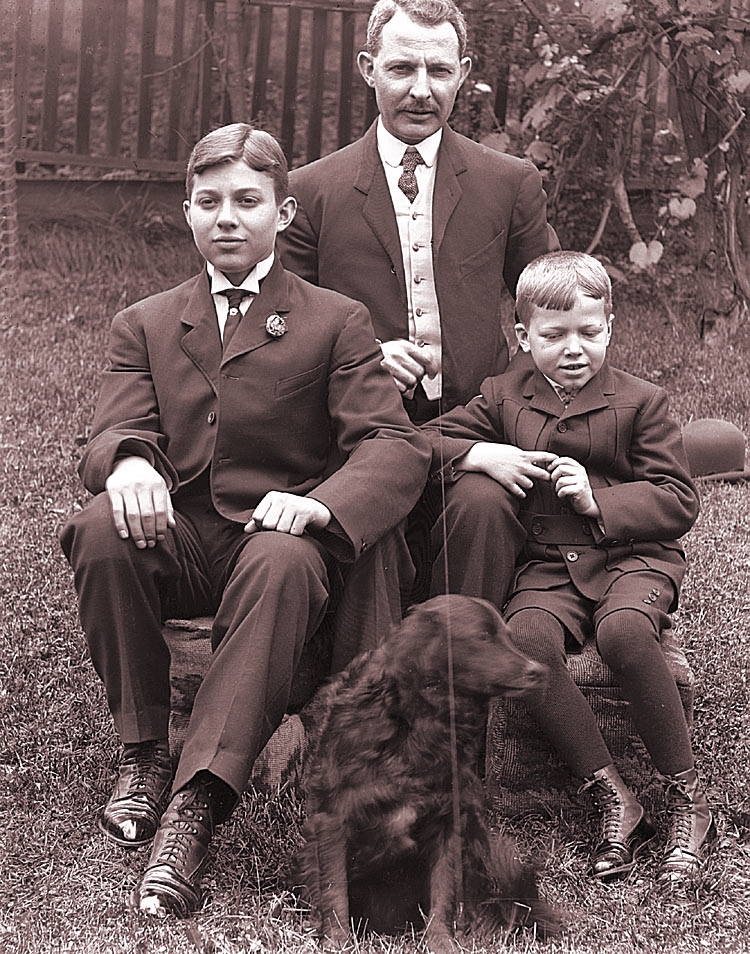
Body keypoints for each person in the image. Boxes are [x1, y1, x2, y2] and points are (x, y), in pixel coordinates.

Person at [60, 123, 431, 918]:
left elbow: (395, 446)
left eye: (247, 201)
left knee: (283, 559)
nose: (227, 217)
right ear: (187, 212)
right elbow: (111, 430)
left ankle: (195, 810)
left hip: (280, 542)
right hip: (189, 539)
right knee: (98, 528)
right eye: (209, 201)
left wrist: (321, 503)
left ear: (283, 212)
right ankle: (145, 751)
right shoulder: (149, 321)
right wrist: (127, 463)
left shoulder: (335, 320)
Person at [422, 251, 715, 884]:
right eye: (554, 336)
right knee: (525, 644)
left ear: (610, 326)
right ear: (523, 338)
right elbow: (426, 440)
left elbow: (678, 497)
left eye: (590, 331)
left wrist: (599, 500)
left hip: (630, 557)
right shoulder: (503, 396)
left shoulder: (642, 402)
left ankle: (688, 799)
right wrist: (480, 454)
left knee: (626, 635)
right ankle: (615, 796)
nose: (574, 349)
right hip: (549, 568)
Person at [278, 0, 559, 603]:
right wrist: (366, 358)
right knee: (365, 522)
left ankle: (463, 663)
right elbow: (284, 330)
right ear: (368, 68)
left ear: (463, 71)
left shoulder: (508, 182)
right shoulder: (312, 192)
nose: (421, 90)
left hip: (478, 421)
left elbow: (552, 311)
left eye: (439, 71)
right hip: (359, 427)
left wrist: (506, 400)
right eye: (402, 69)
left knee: (483, 507)